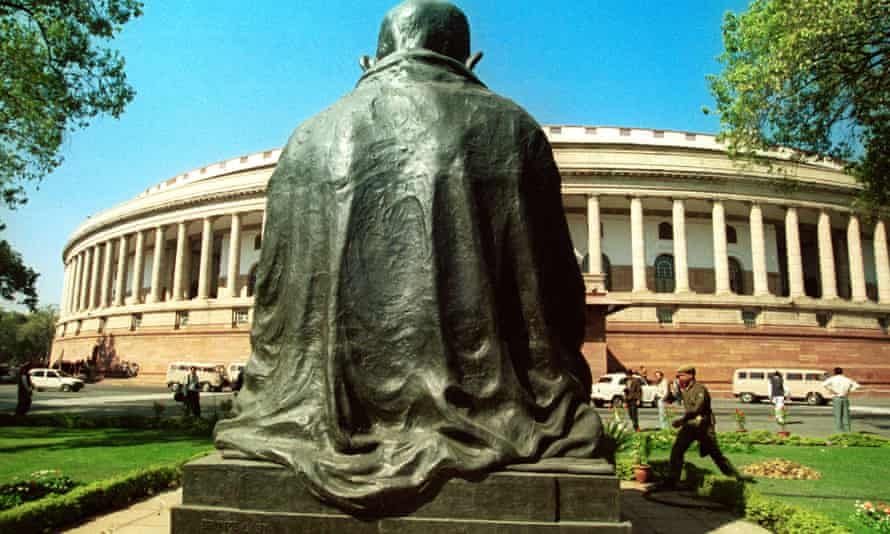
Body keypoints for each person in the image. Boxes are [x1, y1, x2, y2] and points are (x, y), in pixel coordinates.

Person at [214, 0, 603, 512]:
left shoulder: (308, 136)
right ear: (471, 60)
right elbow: (554, 284)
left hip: (314, 407)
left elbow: (271, 287)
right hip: (492, 406)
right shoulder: (515, 128)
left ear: (371, 59)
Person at [657, 365, 751, 490]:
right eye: (678, 376)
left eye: (681, 376)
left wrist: (681, 420)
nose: (679, 378)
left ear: (691, 375)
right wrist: (670, 390)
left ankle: (734, 476)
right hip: (690, 426)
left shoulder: (700, 389)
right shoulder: (682, 388)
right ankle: (672, 481)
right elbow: (668, 400)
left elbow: (697, 409)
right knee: (677, 451)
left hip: (703, 427)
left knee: (715, 453)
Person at [822, 367, 860, 432]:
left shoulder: (832, 379)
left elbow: (823, 384)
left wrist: (831, 390)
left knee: (838, 416)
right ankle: (847, 431)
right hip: (845, 397)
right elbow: (856, 385)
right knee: (846, 415)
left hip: (836, 397)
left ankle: (839, 431)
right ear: (842, 372)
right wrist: (849, 391)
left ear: (834, 372)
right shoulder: (847, 379)